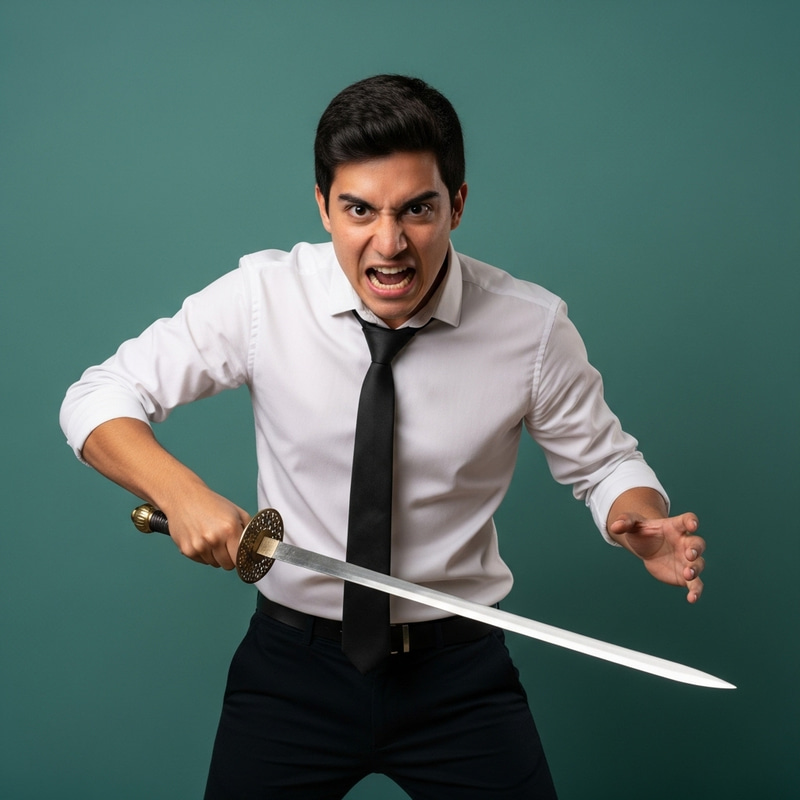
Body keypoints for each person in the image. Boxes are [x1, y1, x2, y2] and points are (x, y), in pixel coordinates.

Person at [60, 74, 706, 799]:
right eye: (359, 210)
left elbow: (606, 464)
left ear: (457, 204)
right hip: (292, 667)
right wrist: (180, 493)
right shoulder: (261, 300)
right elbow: (96, 398)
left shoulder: (531, 329)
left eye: (418, 210)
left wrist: (637, 517)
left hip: (458, 673)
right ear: (322, 207)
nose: (389, 244)